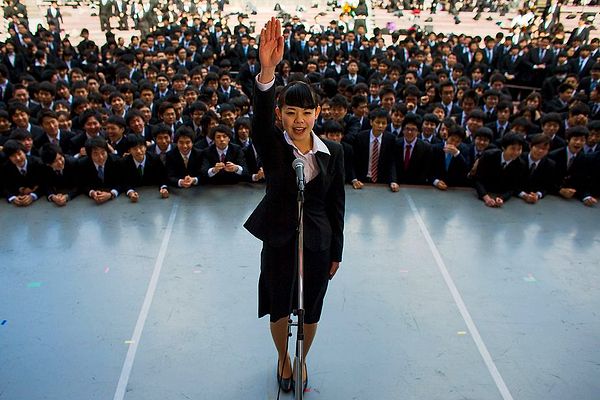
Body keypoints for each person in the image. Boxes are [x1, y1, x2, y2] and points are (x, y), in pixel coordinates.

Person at [243, 17, 345, 393]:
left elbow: (337, 205)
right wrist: (268, 70)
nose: (299, 120)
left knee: (312, 307)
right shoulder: (273, 146)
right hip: (279, 239)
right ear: (280, 115)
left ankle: (304, 357)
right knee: (279, 305)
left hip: (318, 241)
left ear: (317, 113)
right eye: (290, 112)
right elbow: (257, 124)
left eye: (306, 112)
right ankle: (284, 358)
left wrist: (337, 250)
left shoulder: (333, 152)